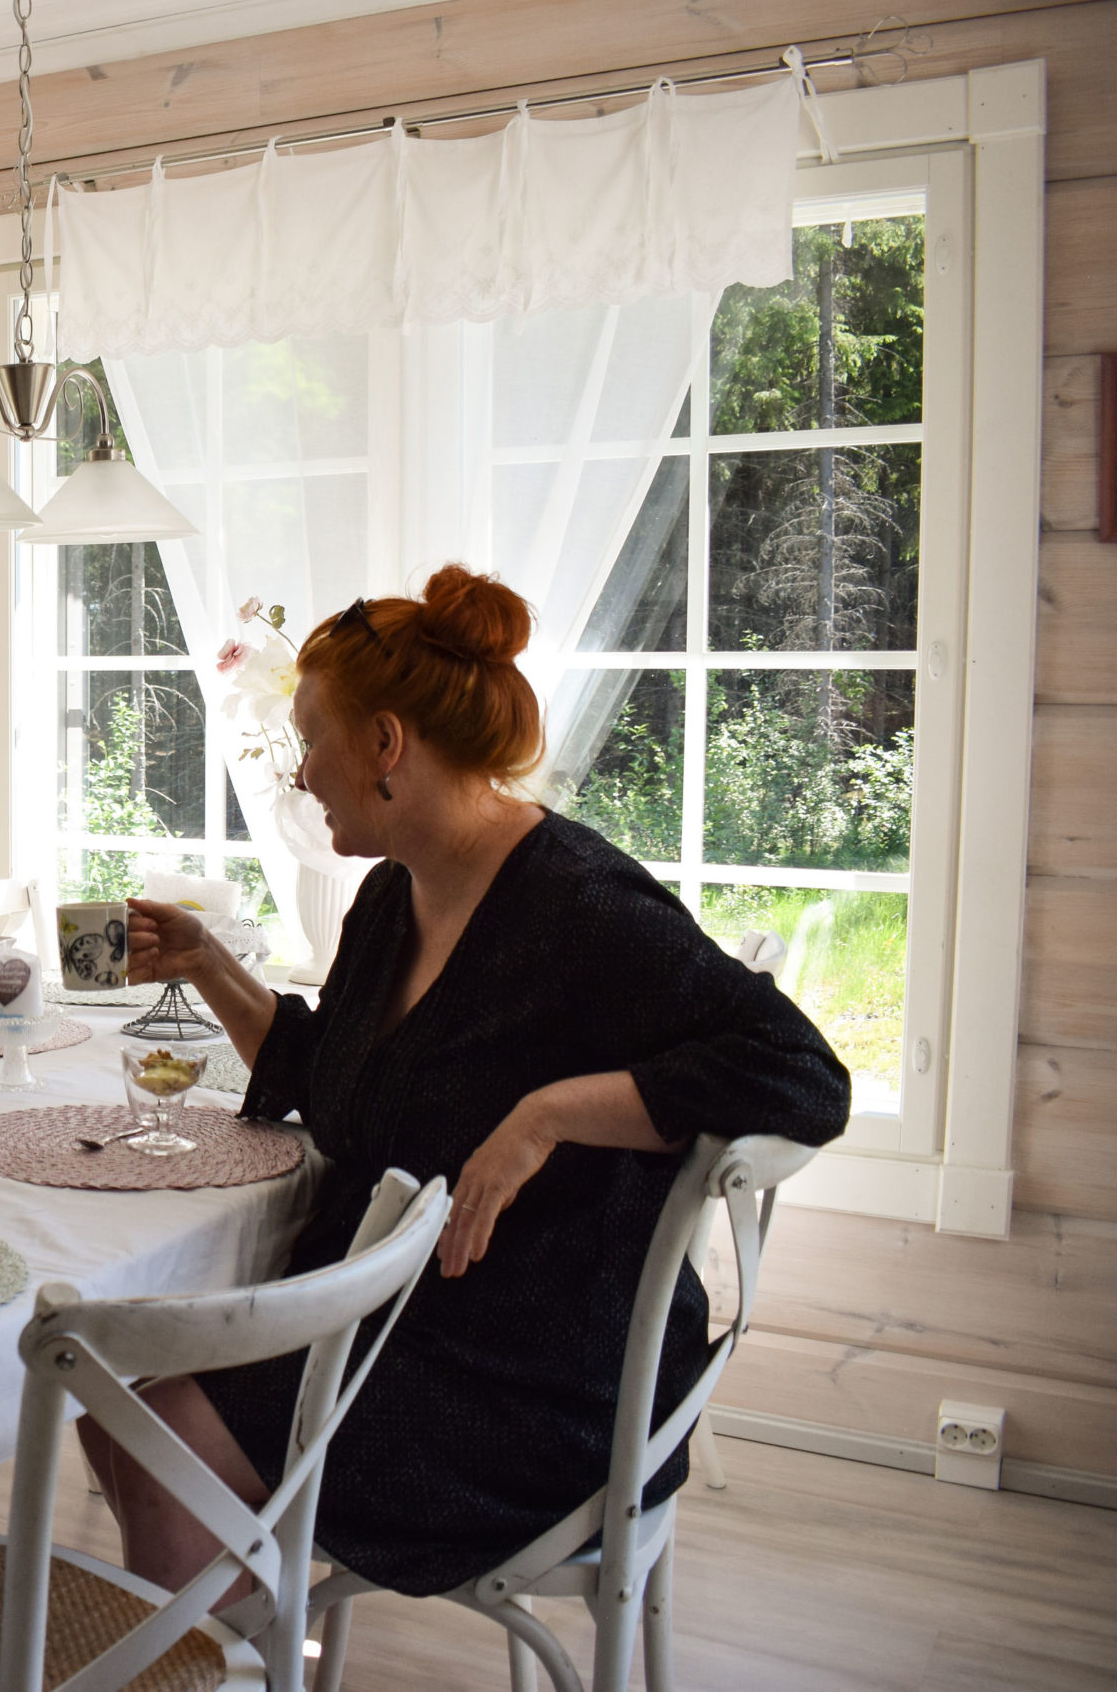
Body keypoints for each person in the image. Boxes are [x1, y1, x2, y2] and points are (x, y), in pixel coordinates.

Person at [90, 567, 850, 1600]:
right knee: (117, 1412)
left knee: (149, 1431)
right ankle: (225, 1649)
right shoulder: (392, 897)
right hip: (409, 1322)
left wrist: (546, 1116)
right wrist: (209, 966)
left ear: (385, 746)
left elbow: (802, 1074)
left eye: (314, 741)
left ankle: (203, 1654)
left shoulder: (581, 907)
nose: (303, 774)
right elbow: (335, 1075)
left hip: (540, 1382)